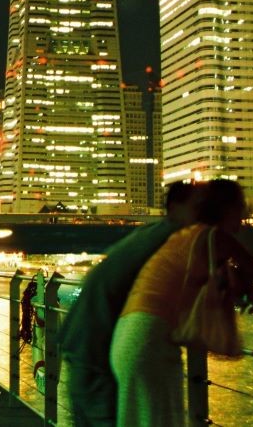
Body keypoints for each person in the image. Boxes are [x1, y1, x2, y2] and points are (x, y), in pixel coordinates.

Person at [110, 179, 253, 426]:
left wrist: (250, 289)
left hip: (130, 335)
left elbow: (237, 283)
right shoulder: (214, 237)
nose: (244, 216)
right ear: (227, 209)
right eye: (241, 208)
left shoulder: (188, 237)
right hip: (149, 340)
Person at [60, 182, 201, 426]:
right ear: (176, 207)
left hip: (82, 342)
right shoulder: (175, 239)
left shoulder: (149, 233)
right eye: (199, 206)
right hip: (99, 352)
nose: (206, 214)